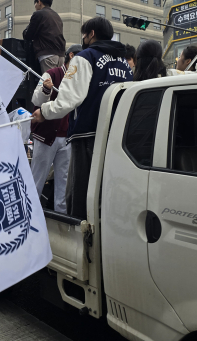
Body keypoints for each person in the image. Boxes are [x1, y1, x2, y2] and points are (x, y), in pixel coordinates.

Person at [32, 17, 131, 218]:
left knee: (79, 191)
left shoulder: (86, 57)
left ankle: (78, 240)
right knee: (105, 190)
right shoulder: (124, 63)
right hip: (116, 135)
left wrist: (44, 112)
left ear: (91, 34)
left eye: (84, 34)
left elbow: (68, 100)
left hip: (87, 135)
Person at [31, 44, 82, 213]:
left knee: (64, 180)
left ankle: (61, 217)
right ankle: (30, 212)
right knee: (38, 177)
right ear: (71, 56)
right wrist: (46, 89)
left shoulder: (79, 79)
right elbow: (36, 100)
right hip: (46, 135)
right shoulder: (52, 74)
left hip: (67, 136)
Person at [23, 0, 67, 73]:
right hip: (61, 55)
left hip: (47, 53)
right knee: (58, 83)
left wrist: (26, 30)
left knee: (48, 82)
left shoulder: (39, 14)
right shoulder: (57, 16)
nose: (35, 6)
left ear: (39, 2)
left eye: (35, 4)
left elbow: (28, 35)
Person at [133, 38, 197, 81]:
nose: (177, 60)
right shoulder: (170, 75)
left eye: (179, 57)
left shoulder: (128, 83)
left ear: (136, 60)